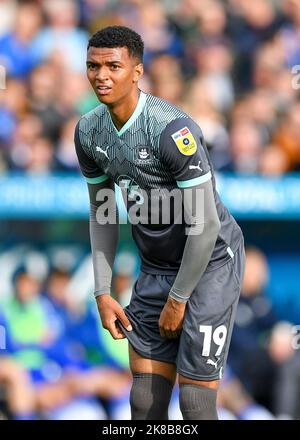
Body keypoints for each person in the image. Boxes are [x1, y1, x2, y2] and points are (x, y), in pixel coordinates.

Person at [74, 25, 245, 420]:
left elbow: (205, 225)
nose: (101, 76)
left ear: (137, 71)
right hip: (156, 270)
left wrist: (179, 299)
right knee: (145, 403)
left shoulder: (171, 130)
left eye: (113, 66)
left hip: (210, 265)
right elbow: (103, 215)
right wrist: (101, 290)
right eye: (93, 66)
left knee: (195, 405)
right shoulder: (88, 131)